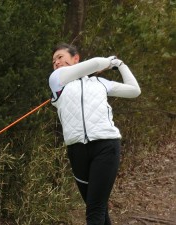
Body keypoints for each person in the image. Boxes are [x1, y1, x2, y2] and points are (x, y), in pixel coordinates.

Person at [48, 43, 141, 225]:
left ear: (76, 58)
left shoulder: (100, 83)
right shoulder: (57, 80)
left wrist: (120, 65)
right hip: (77, 152)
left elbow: (134, 91)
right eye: (53, 61)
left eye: (60, 57)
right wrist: (109, 61)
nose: (56, 62)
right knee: (98, 210)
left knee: (95, 210)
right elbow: (97, 63)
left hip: (106, 146)